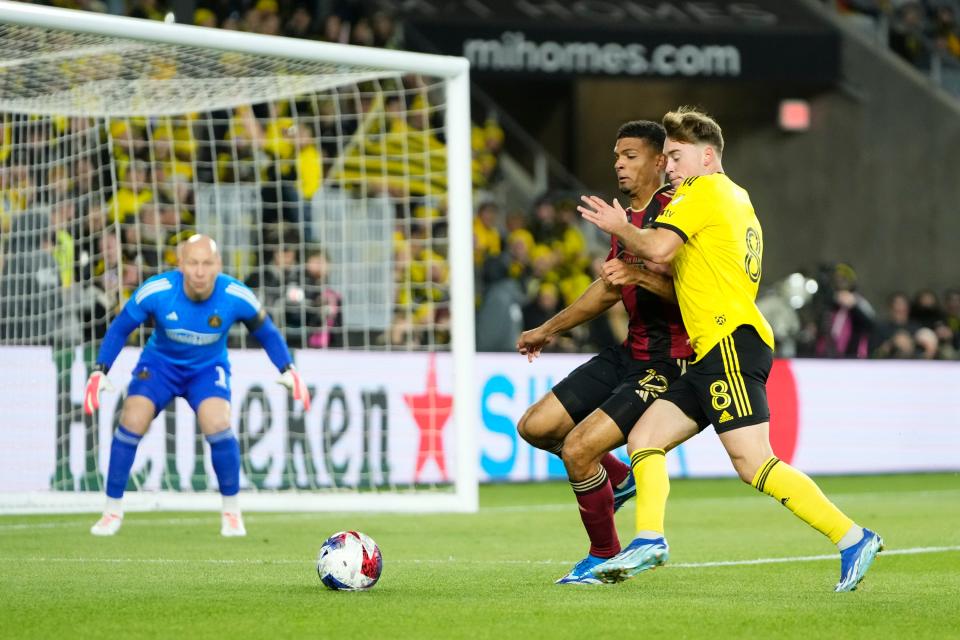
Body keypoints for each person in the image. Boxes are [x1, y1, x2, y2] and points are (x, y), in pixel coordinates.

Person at [578, 106, 882, 592]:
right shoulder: (737, 199)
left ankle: (852, 536)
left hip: (730, 344)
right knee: (645, 438)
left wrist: (620, 227)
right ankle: (649, 539)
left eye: (676, 157)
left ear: (707, 155)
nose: (670, 168)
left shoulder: (705, 190)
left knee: (753, 462)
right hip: (712, 349)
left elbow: (657, 249)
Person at [516, 120, 692, 585]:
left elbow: (697, 294)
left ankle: (603, 556)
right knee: (535, 427)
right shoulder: (625, 220)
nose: (619, 163)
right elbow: (610, 288)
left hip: (669, 363)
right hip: (628, 353)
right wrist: (548, 328)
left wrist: (640, 277)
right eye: (617, 155)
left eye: (630, 155)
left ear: (659, 161)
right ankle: (618, 479)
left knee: (577, 450)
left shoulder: (680, 213)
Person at [83, 234, 310, 537]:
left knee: (218, 423)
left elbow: (266, 332)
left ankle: (231, 511)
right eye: (193, 263)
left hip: (207, 369)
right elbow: (121, 326)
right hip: (159, 365)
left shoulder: (235, 294)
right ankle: (112, 510)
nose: (200, 271)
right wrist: (100, 370)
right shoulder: (158, 290)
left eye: (206, 263)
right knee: (132, 419)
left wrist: (288, 368)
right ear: (181, 264)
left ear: (218, 264)